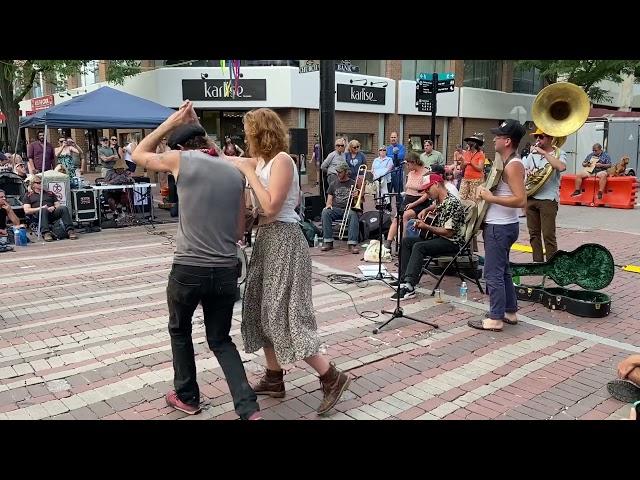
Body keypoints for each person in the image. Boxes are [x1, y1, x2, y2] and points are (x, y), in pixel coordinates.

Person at [130, 101, 261, 420]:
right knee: (220, 339)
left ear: (179, 147)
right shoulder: (234, 169)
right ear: (205, 142)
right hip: (226, 268)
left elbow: (138, 154)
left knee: (179, 329)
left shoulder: (181, 159)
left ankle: (187, 396)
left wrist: (170, 121)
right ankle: (248, 409)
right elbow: (239, 229)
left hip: (189, 267)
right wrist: (196, 125)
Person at [225, 107, 352, 416]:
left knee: (285, 314)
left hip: (285, 239)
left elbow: (271, 204)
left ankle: (331, 377)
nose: (245, 137)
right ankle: (274, 376)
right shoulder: (261, 162)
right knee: (259, 308)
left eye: (248, 131)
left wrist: (249, 172)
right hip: (267, 241)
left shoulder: (282, 161)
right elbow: (227, 160)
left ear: (260, 133)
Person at [468, 119, 526, 332]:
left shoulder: (513, 166)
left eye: (498, 136)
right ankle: (509, 311)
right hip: (503, 226)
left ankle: (495, 318)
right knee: (503, 271)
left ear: (508, 141)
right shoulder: (510, 162)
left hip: (500, 227)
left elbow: (521, 200)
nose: (494, 139)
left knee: (493, 272)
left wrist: (490, 198)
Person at [389, 174, 466, 300]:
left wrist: (426, 227)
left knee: (419, 246)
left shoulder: (452, 203)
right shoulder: (440, 200)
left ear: (436, 184)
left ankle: (409, 286)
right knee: (406, 241)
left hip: (451, 242)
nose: (426, 192)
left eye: (428, 189)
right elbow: (436, 206)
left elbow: (449, 233)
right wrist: (426, 210)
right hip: (438, 238)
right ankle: (403, 279)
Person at [523, 127, 567, 262]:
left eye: (541, 137)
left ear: (550, 138)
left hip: (548, 199)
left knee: (548, 235)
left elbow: (561, 167)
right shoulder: (532, 155)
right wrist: (527, 172)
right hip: (531, 197)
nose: (537, 140)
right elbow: (523, 171)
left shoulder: (559, 153)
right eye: (536, 137)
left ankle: (552, 265)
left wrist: (543, 153)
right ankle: (537, 263)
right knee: (534, 234)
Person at [384, 151, 430, 250]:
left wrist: (413, 204)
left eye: (408, 164)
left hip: (420, 201)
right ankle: (388, 243)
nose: (407, 166)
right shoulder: (410, 173)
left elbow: (427, 194)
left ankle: (404, 243)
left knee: (405, 216)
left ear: (414, 162)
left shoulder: (426, 173)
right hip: (408, 199)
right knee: (397, 217)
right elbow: (408, 188)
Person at [21, 174, 78, 242]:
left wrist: (53, 207)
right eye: (38, 183)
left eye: (42, 182)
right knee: (43, 210)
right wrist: (40, 208)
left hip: (52, 213)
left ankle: (70, 230)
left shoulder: (49, 193)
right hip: (38, 215)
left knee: (63, 208)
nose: (41, 184)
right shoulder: (28, 195)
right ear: (33, 185)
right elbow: (27, 210)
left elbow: (58, 205)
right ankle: (46, 233)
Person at [320, 162, 361, 254]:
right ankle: (328, 242)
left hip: (348, 209)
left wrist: (357, 195)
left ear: (346, 172)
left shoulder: (353, 183)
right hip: (336, 209)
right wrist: (328, 206)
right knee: (325, 212)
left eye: (340, 172)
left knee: (353, 214)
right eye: (337, 172)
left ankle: (352, 244)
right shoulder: (333, 184)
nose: (338, 174)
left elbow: (361, 201)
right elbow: (329, 199)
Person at [459, 133, 485, 202]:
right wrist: (463, 163)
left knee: (474, 199)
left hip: (476, 180)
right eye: (468, 142)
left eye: (470, 142)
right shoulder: (466, 153)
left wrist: (471, 163)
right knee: (462, 197)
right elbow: (461, 168)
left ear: (475, 144)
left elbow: (480, 168)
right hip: (466, 178)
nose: (468, 143)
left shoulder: (480, 154)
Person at [386, 132, 405, 209]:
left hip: (398, 172)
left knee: (399, 192)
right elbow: (385, 157)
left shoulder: (401, 147)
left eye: (394, 137)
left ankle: (400, 209)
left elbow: (401, 156)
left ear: (397, 138)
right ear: (390, 138)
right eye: (392, 137)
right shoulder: (387, 148)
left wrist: (390, 156)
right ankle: (388, 208)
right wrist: (394, 155)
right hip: (389, 172)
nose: (393, 139)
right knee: (388, 190)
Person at [372, 145, 394, 211]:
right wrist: (376, 175)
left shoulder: (389, 159)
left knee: (386, 195)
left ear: (386, 151)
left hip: (386, 180)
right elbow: (372, 169)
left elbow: (389, 168)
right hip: (377, 180)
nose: (382, 151)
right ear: (378, 151)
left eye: (384, 150)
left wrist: (381, 175)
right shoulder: (376, 160)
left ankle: (387, 208)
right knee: (378, 194)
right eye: (380, 150)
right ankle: (378, 208)